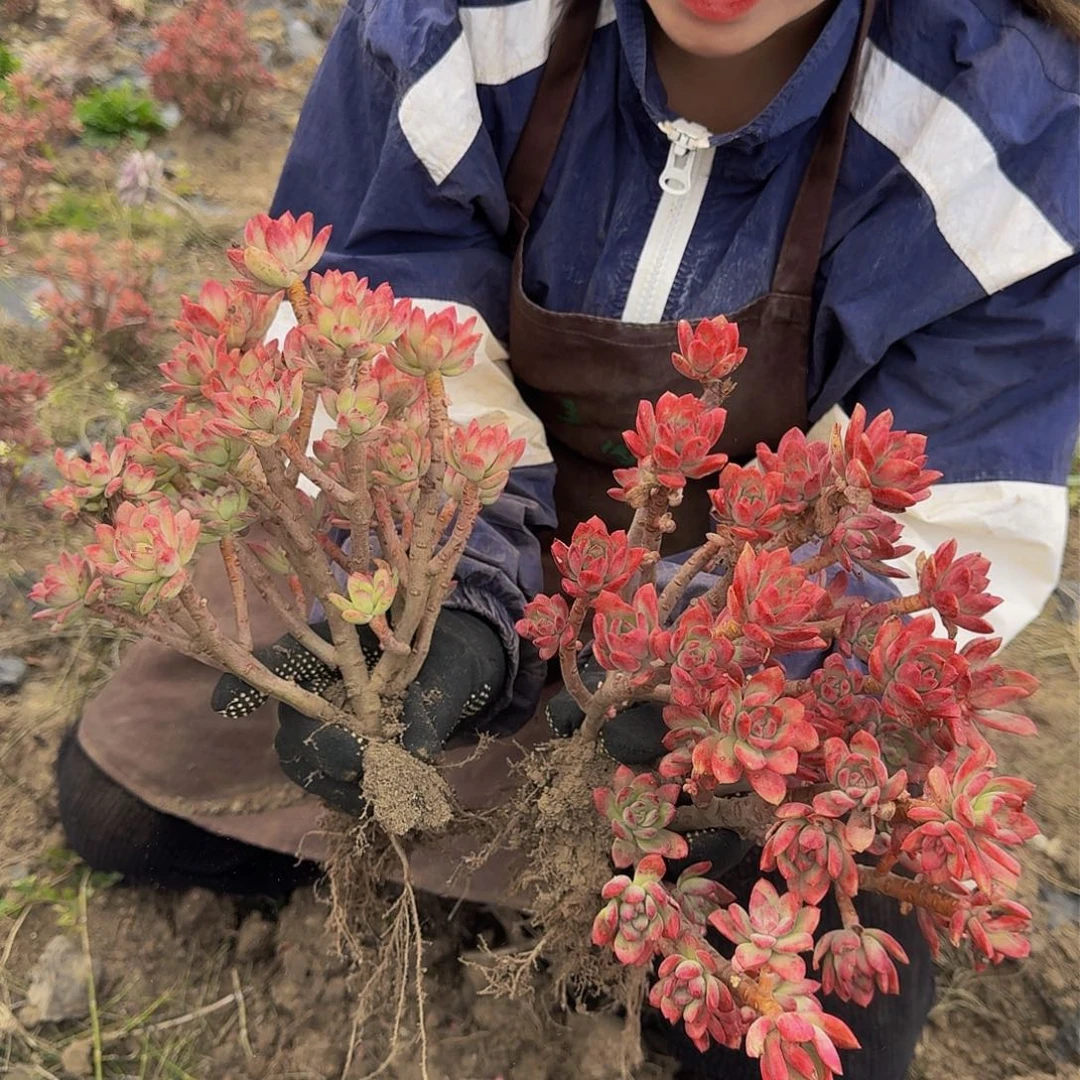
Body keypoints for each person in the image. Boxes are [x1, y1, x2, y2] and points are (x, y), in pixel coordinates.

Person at [56, 0, 1078, 1075]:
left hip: (737, 661)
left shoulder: (1010, 119)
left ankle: (561, 894)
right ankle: (519, 884)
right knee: (124, 807)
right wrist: (455, 591)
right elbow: (377, 304)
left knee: (833, 1033)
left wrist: (720, 664)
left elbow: (951, 503)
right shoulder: (451, 25)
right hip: (449, 538)